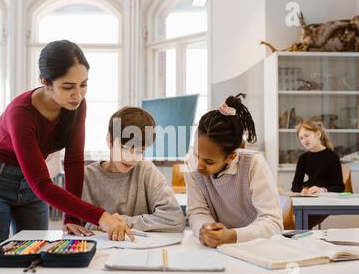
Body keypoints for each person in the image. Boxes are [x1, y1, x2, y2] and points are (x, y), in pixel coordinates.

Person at [0, 40, 132, 258]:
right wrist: (102, 217)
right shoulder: (21, 112)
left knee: (34, 258)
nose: (78, 94)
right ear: (45, 82)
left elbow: (74, 162)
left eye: (83, 84)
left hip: (32, 183)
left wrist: (71, 218)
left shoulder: (76, 105)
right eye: (68, 87)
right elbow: (42, 185)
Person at [62, 106, 185, 236]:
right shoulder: (85, 177)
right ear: (109, 140)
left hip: (140, 251)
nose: (130, 157)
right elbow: (73, 226)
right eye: (124, 148)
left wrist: (122, 222)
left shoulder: (146, 171)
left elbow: (175, 220)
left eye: (139, 151)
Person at [185, 94, 283, 248]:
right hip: (216, 249)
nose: (199, 166)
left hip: (255, 247)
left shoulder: (253, 164)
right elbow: (197, 211)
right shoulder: (191, 164)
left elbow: (273, 223)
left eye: (209, 161)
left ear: (231, 157)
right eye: (197, 155)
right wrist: (206, 229)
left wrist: (233, 236)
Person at [291, 120, 344, 228]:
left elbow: (339, 187)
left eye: (306, 136)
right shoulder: (303, 158)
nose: (304, 140)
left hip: (325, 200)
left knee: (302, 224)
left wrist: (322, 190)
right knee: (289, 218)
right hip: (308, 199)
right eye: (301, 138)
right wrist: (302, 190)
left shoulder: (332, 156)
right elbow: (295, 186)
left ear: (318, 134)